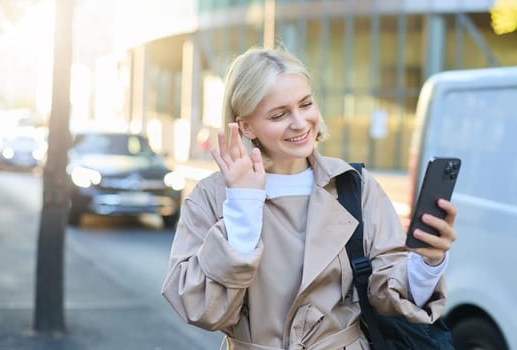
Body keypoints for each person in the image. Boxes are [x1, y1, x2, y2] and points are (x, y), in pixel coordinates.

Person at [161, 47, 457, 350]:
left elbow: (389, 296)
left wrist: (427, 262)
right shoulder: (213, 196)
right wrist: (244, 205)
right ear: (246, 126)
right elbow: (199, 307)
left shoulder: (354, 186)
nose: (300, 122)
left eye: (306, 104)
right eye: (279, 114)